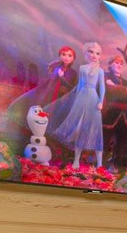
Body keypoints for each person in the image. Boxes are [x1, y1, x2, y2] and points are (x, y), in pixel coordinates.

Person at [46, 40, 108, 168]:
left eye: (97, 53)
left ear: (100, 55)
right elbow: (79, 86)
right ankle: (76, 160)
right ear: (86, 53)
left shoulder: (100, 71)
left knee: (95, 129)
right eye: (91, 52)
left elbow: (102, 87)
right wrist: (72, 98)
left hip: (93, 99)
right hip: (81, 98)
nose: (94, 55)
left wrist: (101, 101)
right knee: (78, 128)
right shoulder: (82, 68)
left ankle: (100, 163)